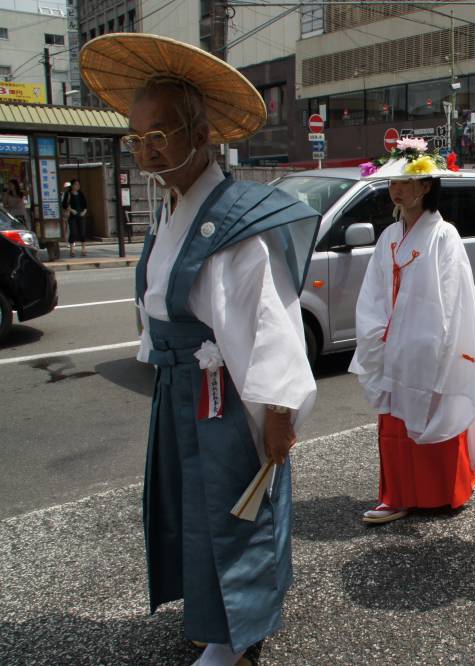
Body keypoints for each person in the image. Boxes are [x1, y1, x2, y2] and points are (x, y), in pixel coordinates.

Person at [80, 33, 321, 666]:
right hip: (182, 387)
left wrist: (276, 412)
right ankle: (209, 617)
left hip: (224, 394)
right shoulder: (172, 206)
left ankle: (237, 638)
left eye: (159, 133)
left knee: (231, 514)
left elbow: (269, 321)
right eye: (137, 137)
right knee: (190, 507)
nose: (145, 147)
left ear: (201, 133)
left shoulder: (236, 219)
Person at [350, 138, 475, 525]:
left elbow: (452, 296)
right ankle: (398, 494)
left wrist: (436, 342)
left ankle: (445, 490)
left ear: (426, 186)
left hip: (427, 345)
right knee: (396, 425)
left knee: (436, 411)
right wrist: (378, 331)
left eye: (405, 182)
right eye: (392, 183)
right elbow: (373, 292)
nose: (396, 189)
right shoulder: (389, 237)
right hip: (392, 342)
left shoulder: (444, 235)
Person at [63, 179, 89, 257]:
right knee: (73, 232)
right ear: (72, 185)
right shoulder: (68, 194)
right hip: (72, 216)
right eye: (76, 184)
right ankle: (72, 250)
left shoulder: (81, 194)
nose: (77, 186)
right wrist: (71, 210)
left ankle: (84, 249)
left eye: (78, 184)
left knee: (82, 232)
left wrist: (84, 212)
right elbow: (64, 204)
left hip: (81, 215)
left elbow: (85, 205)